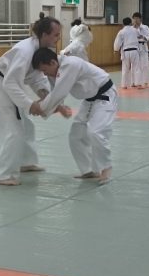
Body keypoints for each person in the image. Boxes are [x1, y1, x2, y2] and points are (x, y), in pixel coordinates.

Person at [0, 17, 64, 186]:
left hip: (10, 87)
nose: (58, 38)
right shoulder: (25, 50)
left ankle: (26, 162)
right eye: (56, 35)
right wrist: (30, 104)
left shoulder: (38, 50)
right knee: (14, 131)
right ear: (45, 34)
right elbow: (10, 82)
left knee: (27, 126)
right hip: (0, 89)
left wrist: (46, 97)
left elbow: (35, 77)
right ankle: (3, 174)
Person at [31, 48, 116, 184]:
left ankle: (105, 168)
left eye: (44, 69)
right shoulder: (55, 71)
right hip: (89, 100)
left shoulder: (70, 65)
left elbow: (59, 92)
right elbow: (55, 91)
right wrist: (61, 107)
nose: (44, 73)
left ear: (53, 62)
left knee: (96, 132)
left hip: (105, 96)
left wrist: (40, 108)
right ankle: (89, 170)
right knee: (76, 135)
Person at [113, 17, 140, 89]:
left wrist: (116, 49)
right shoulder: (135, 30)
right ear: (130, 23)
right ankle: (136, 83)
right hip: (134, 51)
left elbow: (118, 42)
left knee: (125, 69)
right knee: (136, 67)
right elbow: (139, 36)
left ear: (123, 24)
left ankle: (124, 85)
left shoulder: (121, 31)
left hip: (126, 52)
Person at [132, 12, 149, 88]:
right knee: (135, 66)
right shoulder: (131, 28)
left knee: (145, 65)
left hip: (143, 47)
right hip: (135, 47)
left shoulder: (145, 27)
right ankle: (136, 82)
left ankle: (145, 82)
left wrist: (143, 37)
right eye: (134, 18)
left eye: (137, 18)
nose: (135, 20)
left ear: (140, 18)